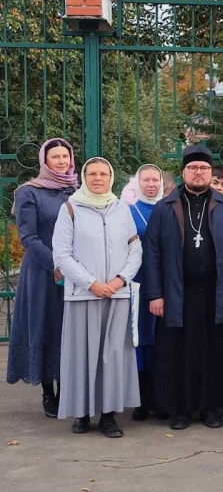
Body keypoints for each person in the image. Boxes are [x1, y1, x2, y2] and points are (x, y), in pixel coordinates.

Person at [146, 144, 223, 430]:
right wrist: (156, 294)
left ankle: (210, 408)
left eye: (204, 168)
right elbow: (152, 251)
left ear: (209, 171)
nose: (199, 173)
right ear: (184, 172)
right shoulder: (165, 207)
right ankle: (180, 409)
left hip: (218, 294)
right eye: (193, 168)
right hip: (177, 295)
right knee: (179, 353)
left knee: (213, 353)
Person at [51, 158, 142, 437]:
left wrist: (118, 281)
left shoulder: (121, 210)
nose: (98, 178)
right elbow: (62, 254)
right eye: (92, 173)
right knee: (81, 355)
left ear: (111, 177)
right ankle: (81, 413)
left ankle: (109, 415)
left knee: (112, 355)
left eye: (103, 174)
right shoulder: (70, 209)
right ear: (84, 176)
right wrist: (91, 283)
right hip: (82, 296)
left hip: (116, 295)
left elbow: (135, 249)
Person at [6, 137, 78, 417]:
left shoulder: (77, 189)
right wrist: (58, 266)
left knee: (70, 327)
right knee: (46, 325)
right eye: (55, 157)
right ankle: (48, 392)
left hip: (77, 273)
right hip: (43, 272)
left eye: (65, 157)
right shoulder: (29, 192)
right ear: (44, 161)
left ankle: (69, 388)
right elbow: (29, 237)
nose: (62, 161)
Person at [128, 164, 165, 421]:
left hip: (166, 284)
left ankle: (160, 398)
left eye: (155, 180)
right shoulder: (129, 211)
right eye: (146, 180)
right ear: (137, 184)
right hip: (139, 285)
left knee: (163, 341)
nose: (151, 185)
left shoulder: (169, 208)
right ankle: (140, 400)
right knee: (141, 340)